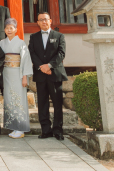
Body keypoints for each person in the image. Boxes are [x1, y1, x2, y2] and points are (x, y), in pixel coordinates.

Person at [28, 12, 68, 140]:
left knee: (57, 103)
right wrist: (42, 67)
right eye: (41, 20)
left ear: (50, 21)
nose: (44, 22)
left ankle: (58, 130)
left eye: (46, 19)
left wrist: (49, 66)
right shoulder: (33, 37)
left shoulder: (59, 36)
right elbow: (32, 53)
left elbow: (61, 53)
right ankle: (45, 130)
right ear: (38, 23)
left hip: (55, 74)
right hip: (41, 75)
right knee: (42, 103)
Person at [0, 18, 33, 138]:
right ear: (4, 30)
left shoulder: (21, 43)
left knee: (19, 99)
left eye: (11, 28)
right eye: (7, 28)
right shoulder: (2, 43)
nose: (9, 30)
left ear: (16, 29)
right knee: (9, 100)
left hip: (18, 73)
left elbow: (26, 61)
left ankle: (21, 129)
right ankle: (13, 127)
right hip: (6, 73)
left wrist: (24, 77)